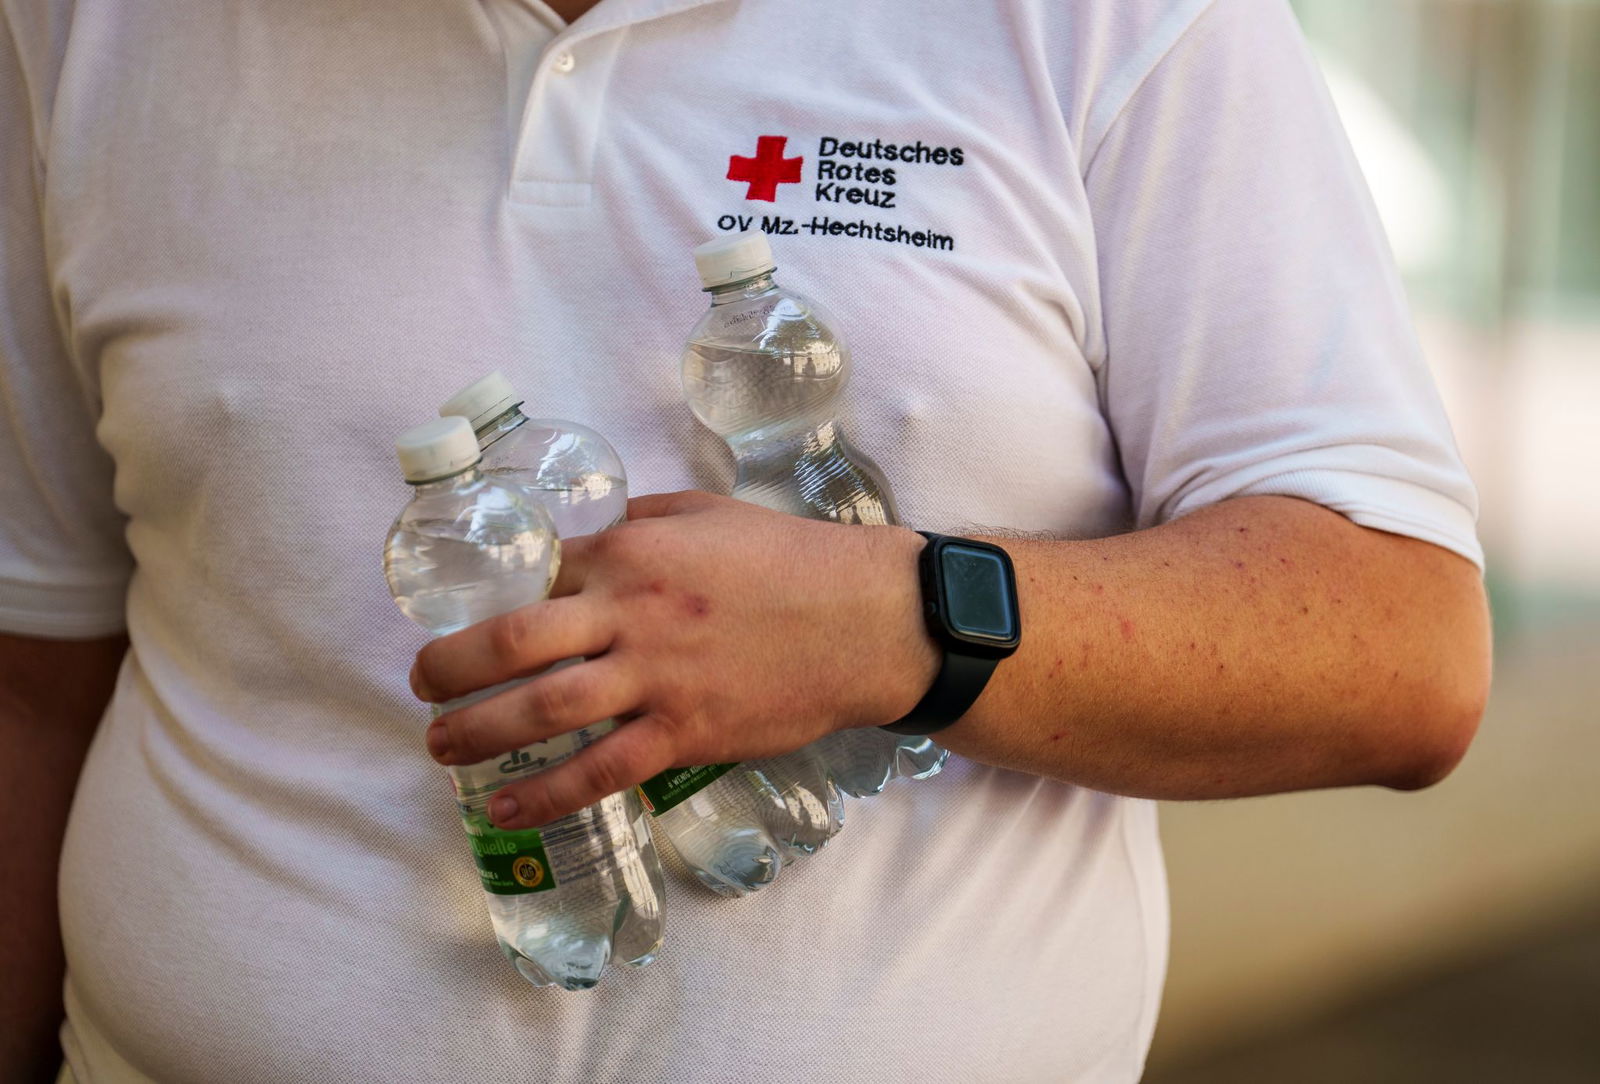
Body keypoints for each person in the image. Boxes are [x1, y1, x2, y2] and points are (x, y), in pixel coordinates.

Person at [1, 0, 1490, 1080]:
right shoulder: (82, 35)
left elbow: (1397, 646)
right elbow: (31, 674)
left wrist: (897, 626)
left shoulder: (1119, 25)